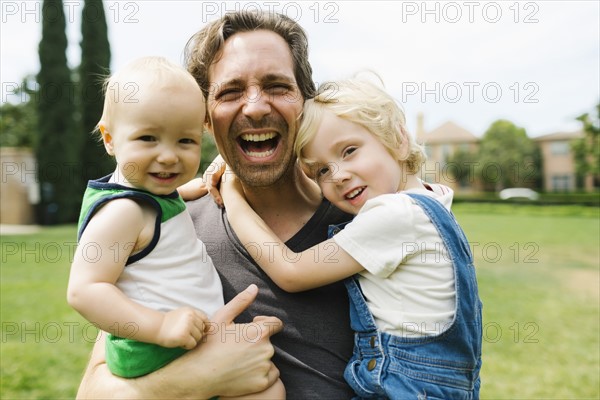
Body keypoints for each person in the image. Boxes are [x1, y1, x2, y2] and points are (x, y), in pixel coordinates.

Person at [75, 11, 355, 399]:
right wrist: (197, 378)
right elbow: (92, 391)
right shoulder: (167, 226)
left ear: (305, 102)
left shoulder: (367, 219)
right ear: (206, 119)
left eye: (276, 86)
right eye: (230, 92)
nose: (255, 107)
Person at [220, 78, 483, 399]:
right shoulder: (434, 200)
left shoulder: (394, 213)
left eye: (349, 151)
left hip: (403, 387)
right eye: (321, 171)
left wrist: (232, 193)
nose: (339, 174)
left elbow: (291, 271)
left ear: (399, 139)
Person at [68, 56, 284, 398]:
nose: (169, 156)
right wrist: (161, 326)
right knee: (266, 390)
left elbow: (154, 208)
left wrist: (186, 189)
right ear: (110, 139)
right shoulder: (122, 213)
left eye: (185, 142)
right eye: (148, 138)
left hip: (183, 337)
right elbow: (84, 290)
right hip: (158, 348)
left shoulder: (146, 195)